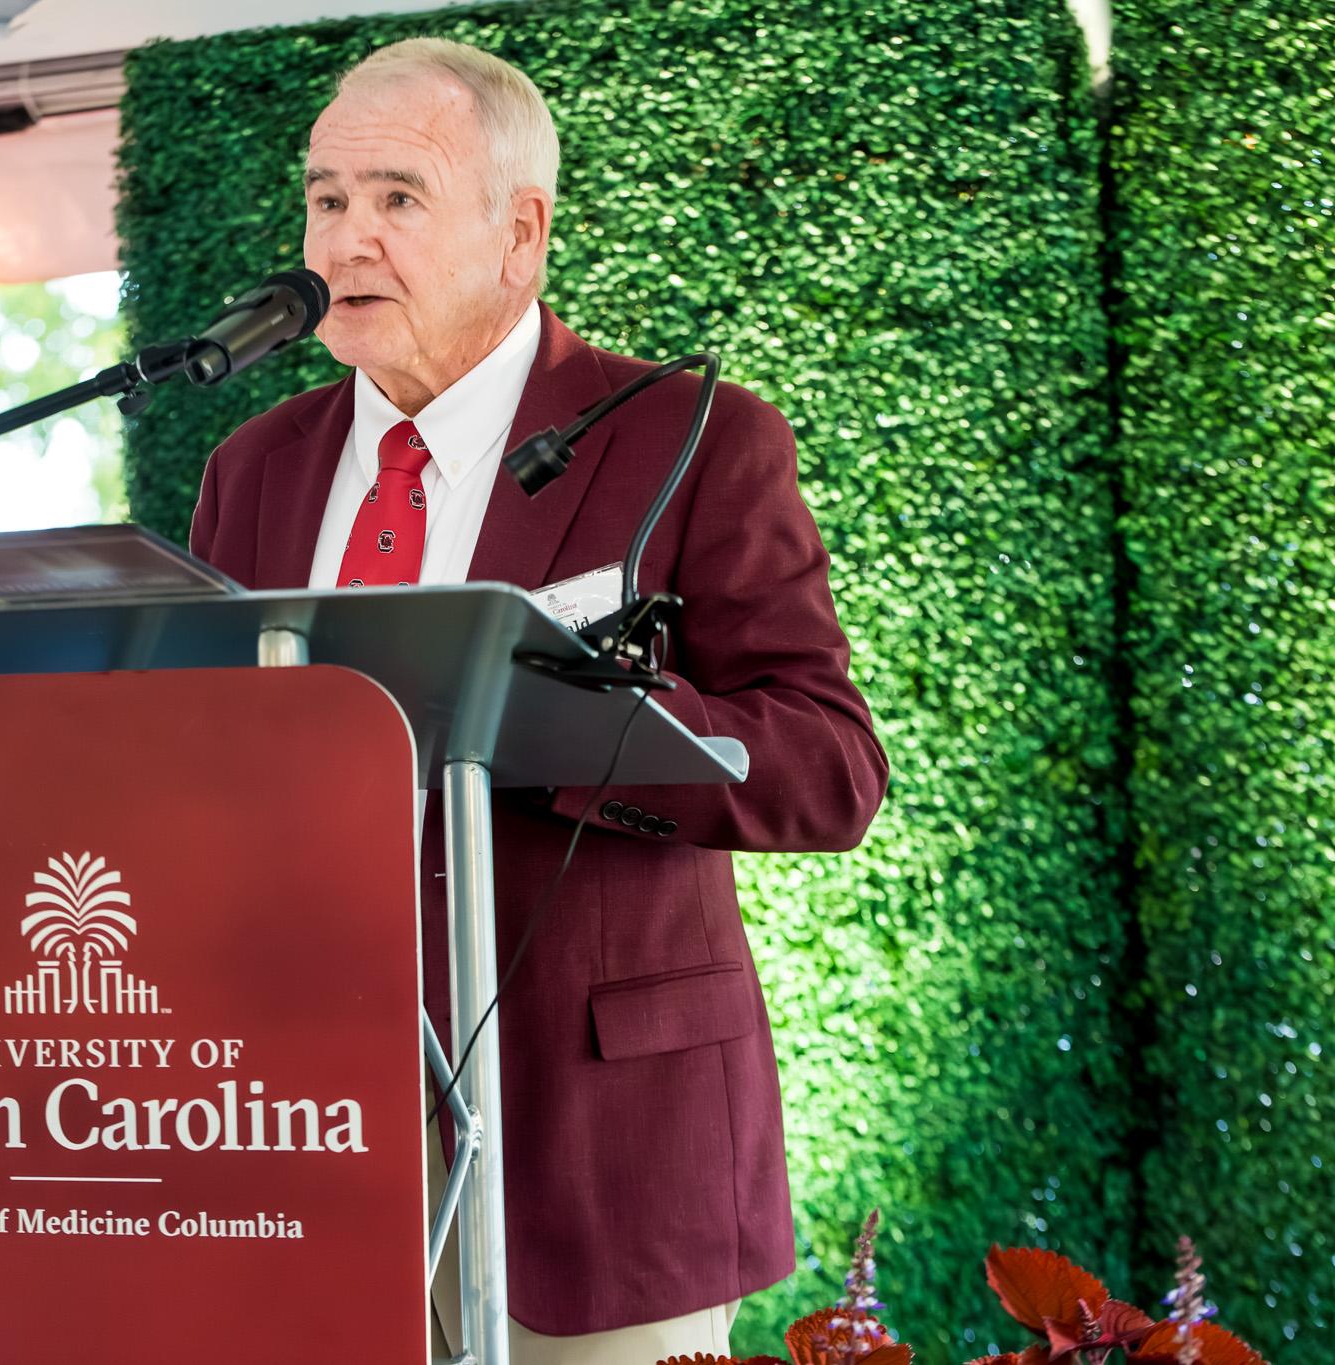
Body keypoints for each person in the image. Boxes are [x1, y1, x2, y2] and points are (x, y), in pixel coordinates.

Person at [188, 36, 889, 1364]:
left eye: (398, 198)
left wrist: (582, 723)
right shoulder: (253, 469)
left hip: (602, 1154)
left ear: (522, 233)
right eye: (327, 198)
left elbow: (833, 766)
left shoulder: (689, 435)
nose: (347, 236)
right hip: (302, 1142)